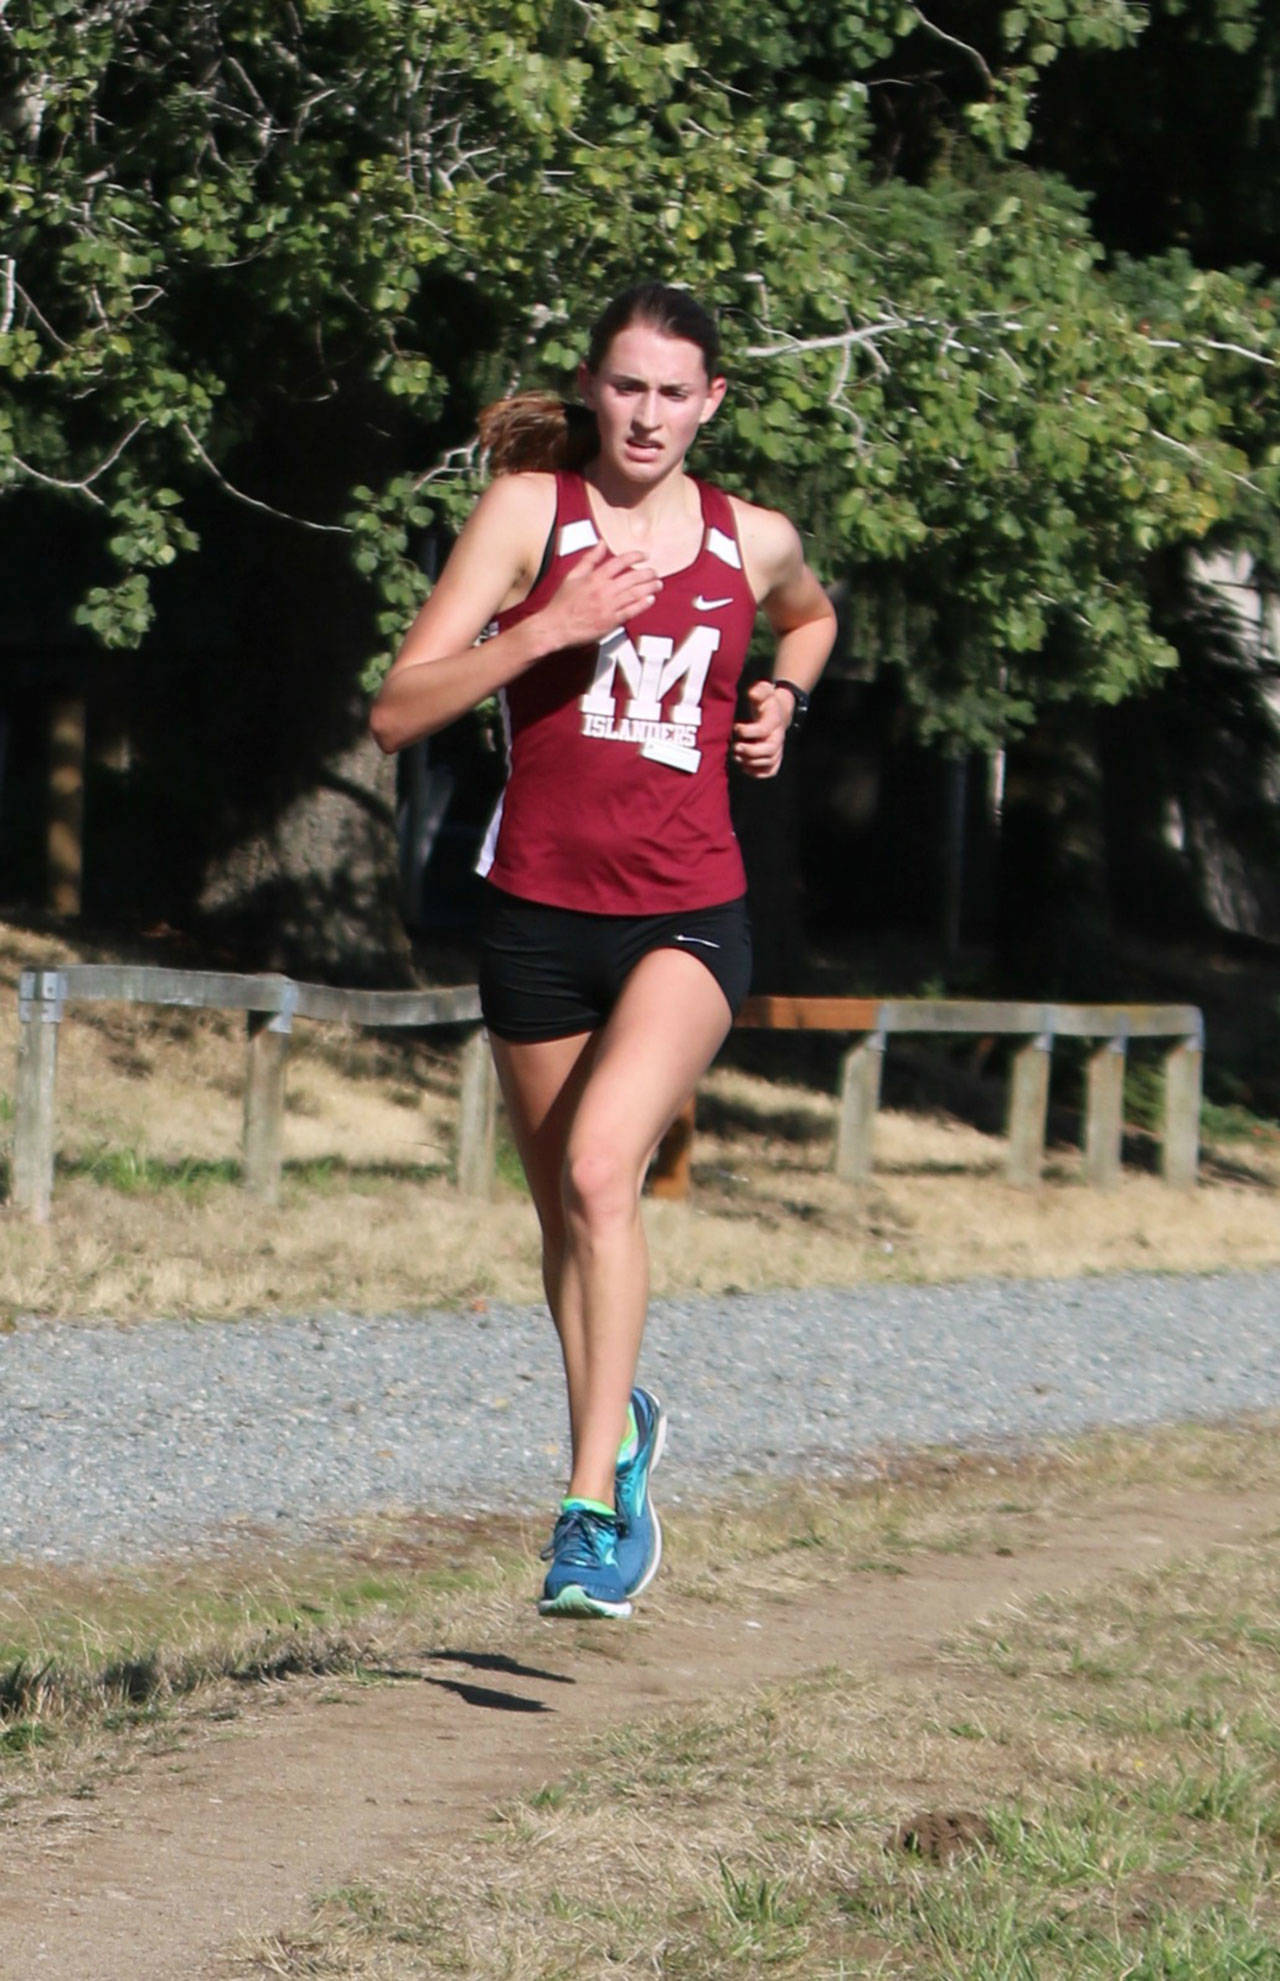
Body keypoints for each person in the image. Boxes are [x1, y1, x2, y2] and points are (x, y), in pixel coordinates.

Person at [371, 282, 836, 1618]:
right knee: (566, 1224)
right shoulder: (532, 517)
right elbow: (397, 710)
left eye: (671, 392)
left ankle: (588, 1507)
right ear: (593, 387)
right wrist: (546, 630)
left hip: (690, 910)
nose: (645, 414)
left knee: (598, 1168)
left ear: (711, 403)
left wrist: (784, 701)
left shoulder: (753, 540)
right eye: (624, 387)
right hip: (533, 916)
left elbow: (810, 616)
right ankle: (620, 1423)